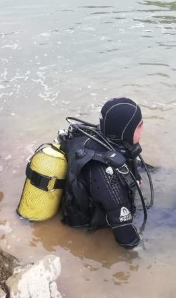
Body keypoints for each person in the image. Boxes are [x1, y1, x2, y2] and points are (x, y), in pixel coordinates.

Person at [60, 97, 146, 249]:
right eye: (139, 126)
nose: (143, 129)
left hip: (94, 189)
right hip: (92, 223)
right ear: (126, 130)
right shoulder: (108, 178)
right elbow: (128, 242)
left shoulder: (97, 137)